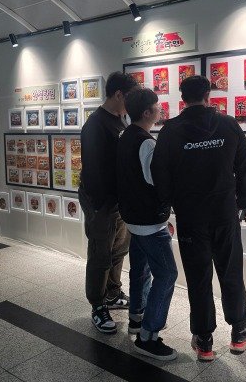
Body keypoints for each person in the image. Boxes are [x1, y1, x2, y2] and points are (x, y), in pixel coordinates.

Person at [152, 75, 246, 361]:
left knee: (198, 277)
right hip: (225, 213)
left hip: (190, 216)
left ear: (182, 98)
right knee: (231, 272)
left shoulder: (171, 130)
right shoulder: (228, 124)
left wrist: (168, 204)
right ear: (208, 95)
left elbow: (160, 171)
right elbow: (243, 165)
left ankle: (204, 340)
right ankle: (239, 332)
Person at [117, 88, 178, 361]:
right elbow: (156, 181)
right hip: (150, 221)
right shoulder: (147, 143)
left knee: (141, 270)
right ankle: (148, 336)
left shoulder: (125, 136)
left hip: (132, 217)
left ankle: (137, 317)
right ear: (146, 112)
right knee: (167, 274)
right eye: (157, 106)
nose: (160, 109)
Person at [79, 71, 138, 334]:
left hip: (119, 202)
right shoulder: (96, 124)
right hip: (102, 202)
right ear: (118, 94)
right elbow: (93, 171)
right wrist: (101, 206)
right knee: (100, 253)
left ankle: (113, 293)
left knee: (118, 250)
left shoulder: (120, 120)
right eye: (130, 97)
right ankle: (97, 305)